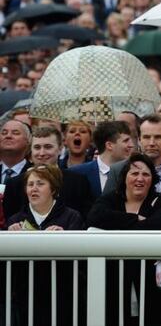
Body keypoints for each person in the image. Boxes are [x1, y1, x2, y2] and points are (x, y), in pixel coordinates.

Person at [87, 153, 161, 326]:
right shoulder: (111, 198)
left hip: (151, 284)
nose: (140, 178)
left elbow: (160, 223)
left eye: (146, 174)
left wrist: (118, 223)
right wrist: (135, 219)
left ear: (152, 179)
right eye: (134, 173)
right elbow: (95, 217)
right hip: (113, 282)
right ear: (124, 177)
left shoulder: (160, 201)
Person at [6, 164, 83, 326]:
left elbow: (80, 262)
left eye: (40, 184)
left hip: (64, 297)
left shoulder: (72, 217)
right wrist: (10, 238)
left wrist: (64, 239)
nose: (34, 189)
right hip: (25, 298)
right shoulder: (14, 221)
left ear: (53, 189)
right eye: (30, 184)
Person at [104, 115, 161, 199]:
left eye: (158, 137)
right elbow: (105, 207)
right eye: (147, 137)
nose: (152, 143)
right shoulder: (118, 170)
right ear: (139, 140)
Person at [29, 126, 94, 218]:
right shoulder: (15, 184)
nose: (42, 153)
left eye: (48, 147)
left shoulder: (78, 181)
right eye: (37, 147)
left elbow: (85, 218)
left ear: (60, 149)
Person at [70, 121, 134, 198]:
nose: (131, 145)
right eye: (126, 141)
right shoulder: (76, 174)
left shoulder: (135, 173)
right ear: (109, 145)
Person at [0, 119, 33, 218]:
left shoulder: (35, 173)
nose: (8, 136)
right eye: (4, 133)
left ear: (28, 141)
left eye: (15, 133)